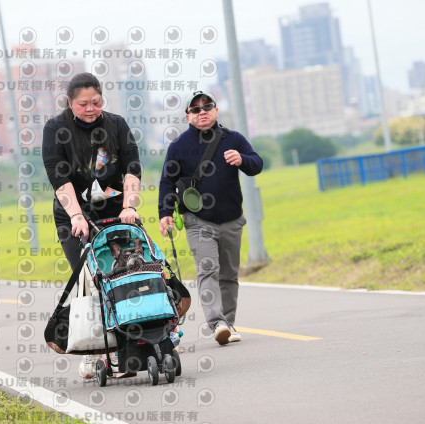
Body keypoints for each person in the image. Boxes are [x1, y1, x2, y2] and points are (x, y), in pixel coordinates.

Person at [42, 72, 142, 378]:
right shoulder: (56, 129)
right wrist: (76, 216)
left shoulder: (116, 124)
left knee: (131, 271)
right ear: (70, 103)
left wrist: (129, 206)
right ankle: (94, 350)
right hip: (73, 215)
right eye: (83, 104)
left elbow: (132, 167)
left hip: (116, 212)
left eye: (96, 102)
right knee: (91, 280)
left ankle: (135, 345)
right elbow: (58, 178)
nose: (90, 108)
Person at [158, 90, 263, 346]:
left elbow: (257, 164)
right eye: (195, 109)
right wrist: (165, 213)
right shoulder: (178, 146)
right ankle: (217, 323)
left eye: (207, 106)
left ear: (216, 110)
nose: (202, 112)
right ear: (188, 116)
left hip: (231, 219)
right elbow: (167, 182)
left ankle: (228, 323)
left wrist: (242, 159)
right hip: (198, 220)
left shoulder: (234, 139)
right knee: (207, 270)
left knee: (229, 275)